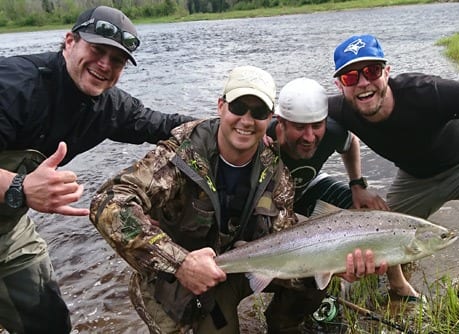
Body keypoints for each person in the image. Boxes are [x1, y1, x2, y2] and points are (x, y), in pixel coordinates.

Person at [89, 65, 386, 333]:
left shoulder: (276, 173)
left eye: (258, 113)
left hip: (236, 265)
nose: (246, 120)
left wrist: (333, 262)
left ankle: (284, 326)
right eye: (238, 107)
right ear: (221, 106)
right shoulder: (181, 154)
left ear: (269, 119)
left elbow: (283, 239)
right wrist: (181, 263)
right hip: (171, 278)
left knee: (310, 280)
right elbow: (108, 202)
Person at [0, 6, 194, 333]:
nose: (104, 65)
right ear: (69, 41)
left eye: (116, 59)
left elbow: (166, 126)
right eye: (96, 50)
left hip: (7, 234)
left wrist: (245, 124)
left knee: (49, 324)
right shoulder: (14, 85)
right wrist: (19, 187)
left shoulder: (110, 107)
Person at [329, 34, 459, 333]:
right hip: (415, 177)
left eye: (371, 71)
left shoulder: (427, 92)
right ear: (339, 85)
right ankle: (399, 285)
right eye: (350, 76)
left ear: (387, 72)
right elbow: (291, 117)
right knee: (377, 224)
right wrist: (357, 183)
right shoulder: (340, 109)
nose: (363, 83)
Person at [264, 77, 389, 332]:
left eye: (316, 126)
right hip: (270, 203)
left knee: (370, 213)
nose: (310, 137)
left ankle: (393, 284)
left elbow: (350, 143)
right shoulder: (261, 136)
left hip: (310, 187)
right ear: (281, 122)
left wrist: (357, 185)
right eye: (299, 127)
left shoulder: (332, 131)